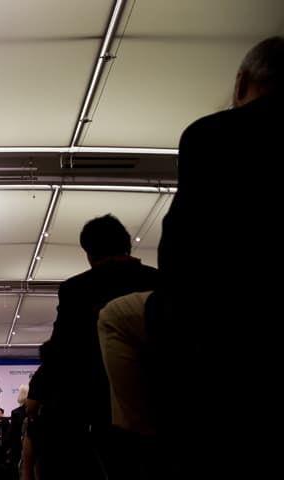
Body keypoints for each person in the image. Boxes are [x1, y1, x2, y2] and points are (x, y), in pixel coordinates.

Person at [98, 36, 284, 479]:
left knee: (114, 317)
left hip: (218, 312)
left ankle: (143, 442)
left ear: (241, 83)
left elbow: (184, 243)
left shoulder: (212, 134)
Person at [38, 214, 159, 479]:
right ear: (127, 245)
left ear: (89, 253)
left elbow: (62, 347)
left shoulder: (77, 289)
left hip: (96, 406)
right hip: (159, 400)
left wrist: (40, 387)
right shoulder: (159, 281)